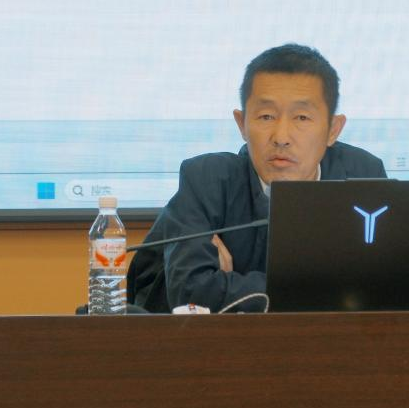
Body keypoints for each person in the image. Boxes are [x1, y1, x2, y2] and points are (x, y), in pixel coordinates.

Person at [127, 44, 386, 313]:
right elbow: (191, 292)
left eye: (301, 117)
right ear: (242, 124)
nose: (281, 137)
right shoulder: (206, 180)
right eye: (266, 116)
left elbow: (387, 285)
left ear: (333, 129)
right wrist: (329, 289)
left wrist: (231, 284)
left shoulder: (363, 176)